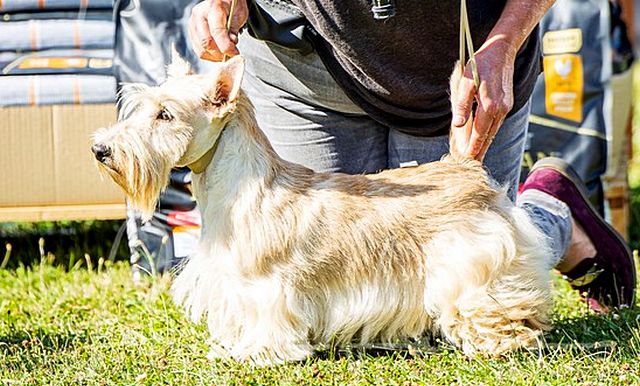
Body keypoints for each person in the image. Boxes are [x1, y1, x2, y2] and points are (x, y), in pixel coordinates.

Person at [187, 0, 635, 310]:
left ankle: (554, 218)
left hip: (458, 67)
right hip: (306, 71)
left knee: (467, 274)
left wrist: (504, 44)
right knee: (319, 270)